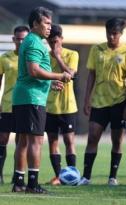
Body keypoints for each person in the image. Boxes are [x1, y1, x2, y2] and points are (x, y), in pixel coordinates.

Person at [12, 7, 72, 194]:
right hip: (32, 98)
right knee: (36, 141)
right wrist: (60, 76)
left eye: (50, 23)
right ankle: (32, 184)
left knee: (23, 140)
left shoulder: (32, 41)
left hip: (26, 95)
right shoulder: (34, 43)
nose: (49, 27)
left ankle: (19, 181)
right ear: (35, 24)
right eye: (46, 23)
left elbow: (34, 74)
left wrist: (51, 82)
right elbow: (34, 70)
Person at [78, 17, 126, 186]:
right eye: (109, 33)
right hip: (99, 102)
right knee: (93, 136)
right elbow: (91, 76)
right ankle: (86, 177)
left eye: (115, 34)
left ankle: (112, 177)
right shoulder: (97, 50)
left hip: (119, 102)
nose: (111, 37)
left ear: (121, 34)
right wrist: (87, 99)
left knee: (117, 140)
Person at [45, 24, 79, 185]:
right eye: (50, 42)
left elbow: (70, 75)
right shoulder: (44, 56)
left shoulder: (73, 54)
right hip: (49, 106)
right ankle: (59, 176)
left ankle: (72, 175)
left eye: (56, 41)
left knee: (68, 140)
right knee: (52, 141)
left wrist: (58, 56)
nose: (53, 45)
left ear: (62, 40)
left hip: (68, 106)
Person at [0, 26, 29, 184]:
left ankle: (17, 176)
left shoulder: (30, 58)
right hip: (7, 104)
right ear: (13, 39)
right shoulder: (4, 58)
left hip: (24, 104)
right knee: (2, 139)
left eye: (24, 38)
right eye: (18, 38)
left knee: (21, 141)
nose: (21, 41)